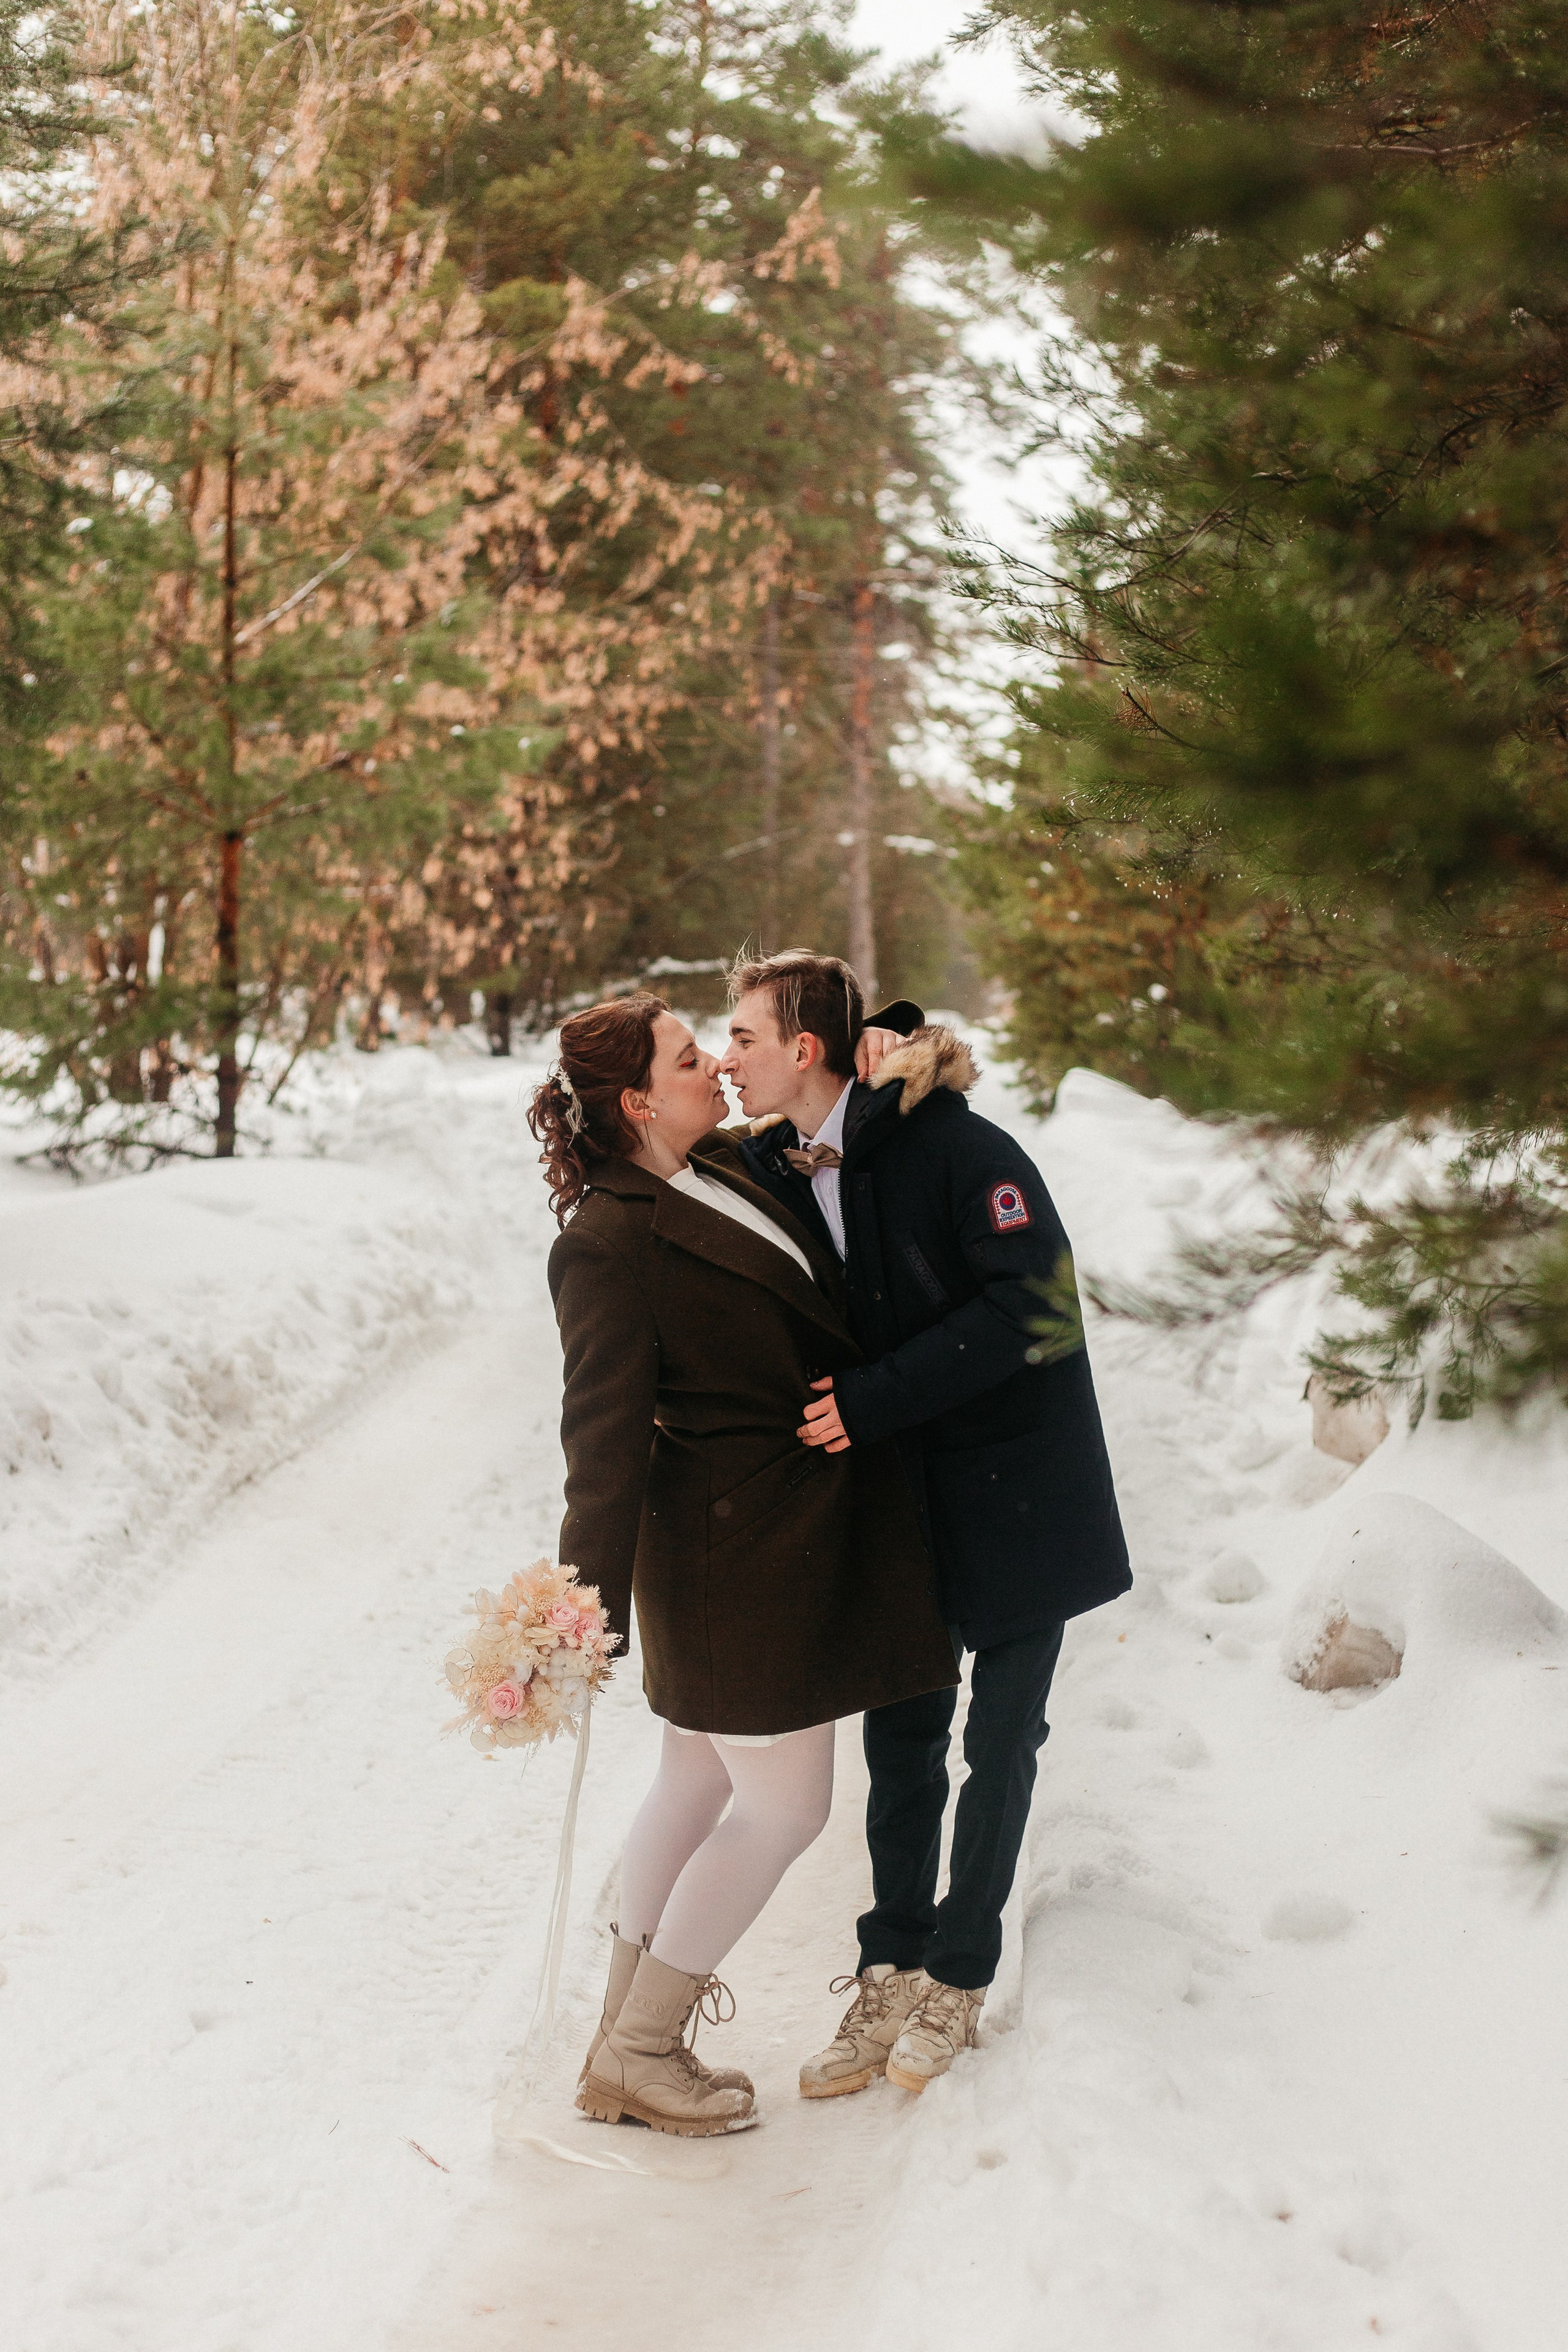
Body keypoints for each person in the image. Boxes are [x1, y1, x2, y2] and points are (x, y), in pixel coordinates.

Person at [528, 993, 957, 2139]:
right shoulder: (608, 1241)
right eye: (686, 1057)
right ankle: (642, 2050)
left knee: (697, 1784)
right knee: (788, 1808)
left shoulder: (719, 1162)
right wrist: (581, 1615)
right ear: (634, 1100)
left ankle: (624, 2040)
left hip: (777, 1538)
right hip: (734, 1560)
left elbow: (822, 1099)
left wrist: (894, 1030)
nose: (716, 1063)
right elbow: (602, 1446)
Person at [718, 951, 1131, 2096]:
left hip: (1018, 1493)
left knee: (999, 1740)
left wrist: (872, 1399)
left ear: (803, 1048)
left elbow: (1035, 1305)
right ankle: (889, 1964)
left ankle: (959, 1975)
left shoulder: (961, 1148)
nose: (727, 1057)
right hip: (893, 1505)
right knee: (900, 1744)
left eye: (742, 1036)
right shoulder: (766, 1164)